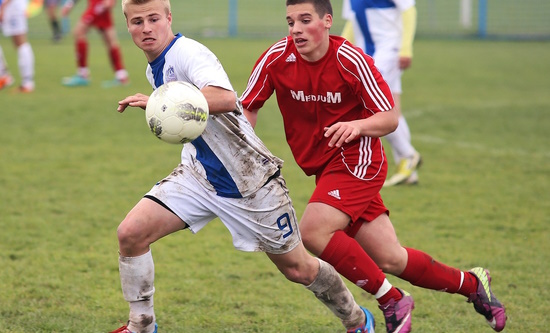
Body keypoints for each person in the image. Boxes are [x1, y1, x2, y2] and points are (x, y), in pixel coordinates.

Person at [240, 0, 507, 332]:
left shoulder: (350, 60)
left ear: (326, 21)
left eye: (304, 20)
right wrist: (243, 148)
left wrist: (358, 126)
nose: (295, 29)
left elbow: (390, 117)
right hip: (324, 168)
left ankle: (391, 298)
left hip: (358, 161)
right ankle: (472, 284)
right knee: (390, 258)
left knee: (313, 231)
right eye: (290, 21)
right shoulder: (276, 58)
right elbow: (247, 107)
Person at [110, 0, 376, 332]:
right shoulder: (155, 66)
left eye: (153, 19)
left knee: (298, 269)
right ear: (128, 27)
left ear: (169, 18)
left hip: (250, 183)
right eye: (137, 22)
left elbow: (225, 98)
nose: (146, 28)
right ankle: (141, 325)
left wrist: (163, 103)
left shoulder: (188, 53)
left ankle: (356, 319)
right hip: (201, 175)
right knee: (131, 234)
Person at [341, 0, 421, 186]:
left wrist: (405, 48)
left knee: (371, 106)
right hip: (369, 56)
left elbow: (409, 11)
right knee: (393, 109)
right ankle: (408, 171)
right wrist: (340, 48)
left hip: (389, 52)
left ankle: (408, 155)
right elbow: (353, 22)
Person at [61, 0, 129, 87]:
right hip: (98, 6)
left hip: (99, 6)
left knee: (79, 32)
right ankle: (121, 76)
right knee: (110, 41)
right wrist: (69, 4)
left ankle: (83, 74)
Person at [0, 0, 35, 92]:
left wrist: (3, 6)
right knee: (19, 44)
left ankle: (27, 83)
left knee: (21, 43)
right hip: (11, 6)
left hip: (13, 6)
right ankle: (3, 76)